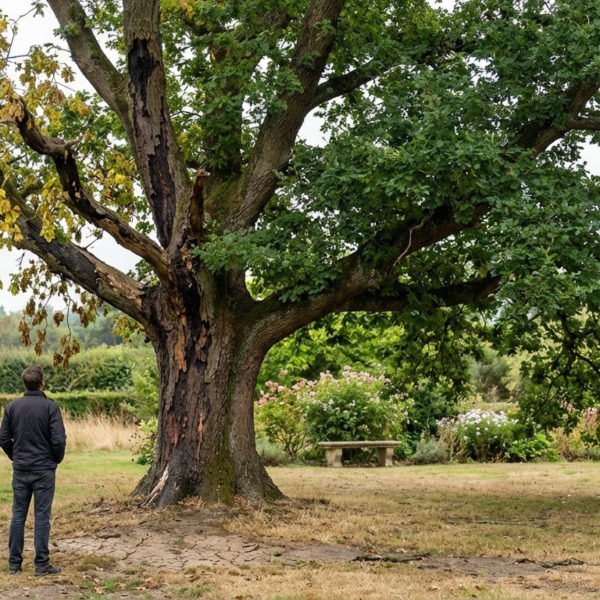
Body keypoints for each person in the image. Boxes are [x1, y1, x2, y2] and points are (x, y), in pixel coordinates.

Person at [0, 365, 66, 576]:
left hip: (21, 468)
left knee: (18, 515)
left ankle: (14, 564)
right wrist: (55, 459)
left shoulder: (12, 407)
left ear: (24, 383)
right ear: (42, 383)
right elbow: (58, 440)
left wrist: (15, 456)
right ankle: (41, 565)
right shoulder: (50, 407)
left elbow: (3, 439)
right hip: (44, 469)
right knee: (41, 516)